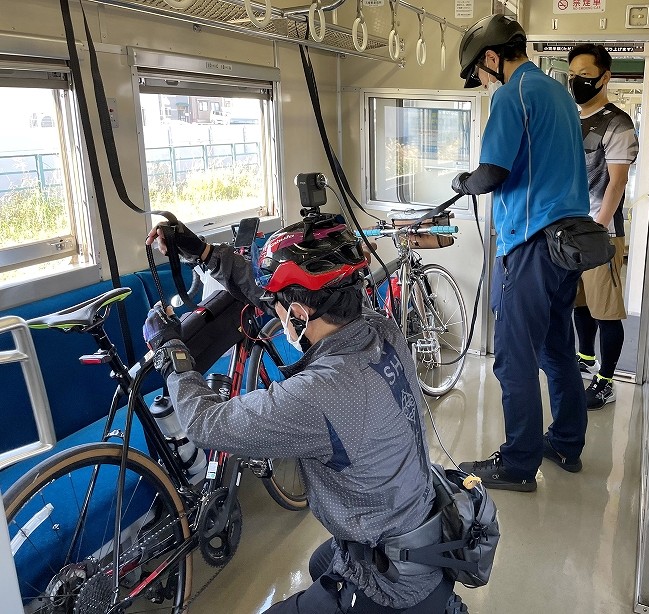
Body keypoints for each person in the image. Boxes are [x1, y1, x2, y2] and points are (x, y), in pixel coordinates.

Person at [142, 217, 461, 613]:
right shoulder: (379, 327)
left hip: (391, 583)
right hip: (424, 529)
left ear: (297, 313)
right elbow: (267, 293)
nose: (270, 311)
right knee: (318, 563)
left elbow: (204, 423)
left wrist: (171, 353)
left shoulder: (319, 394)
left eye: (278, 308)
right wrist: (203, 253)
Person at [451, 15, 590, 491]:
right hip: (567, 243)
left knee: (514, 357)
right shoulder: (559, 95)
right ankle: (567, 443)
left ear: (492, 57)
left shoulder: (513, 95)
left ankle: (517, 464)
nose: (483, 82)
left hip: (531, 245)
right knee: (556, 349)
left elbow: (491, 174)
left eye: (480, 74)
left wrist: (462, 183)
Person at [567, 43, 639, 410]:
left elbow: (617, 182)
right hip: (570, 231)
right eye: (572, 75)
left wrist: (596, 230)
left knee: (605, 311)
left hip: (601, 232)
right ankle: (584, 357)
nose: (577, 82)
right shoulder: (569, 117)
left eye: (584, 75)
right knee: (580, 302)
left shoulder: (618, 123)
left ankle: (607, 379)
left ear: (604, 77)